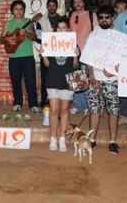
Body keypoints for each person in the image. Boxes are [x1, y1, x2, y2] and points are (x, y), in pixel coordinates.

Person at [86, 5, 121, 156]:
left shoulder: (120, 37)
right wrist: (92, 77)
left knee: (113, 111)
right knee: (94, 110)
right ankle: (92, 140)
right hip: (95, 80)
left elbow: (124, 59)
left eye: (107, 17)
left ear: (112, 18)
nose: (104, 20)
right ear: (98, 19)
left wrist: (113, 70)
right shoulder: (93, 35)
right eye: (101, 17)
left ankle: (112, 141)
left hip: (113, 80)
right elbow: (88, 58)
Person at [41, 17, 77, 152]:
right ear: (55, 30)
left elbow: (75, 66)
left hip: (67, 81)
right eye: (59, 28)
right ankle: (53, 138)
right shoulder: (50, 43)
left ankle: (62, 138)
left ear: (68, 29)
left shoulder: (73, 43)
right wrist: (43, 55)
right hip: (52, 79)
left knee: (65, 109)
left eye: (64, 27)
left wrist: (75, 56)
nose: (62, 30)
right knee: (54, 110)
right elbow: (47, 65)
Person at [0, 0, 40, 113]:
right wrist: (7, 39)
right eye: (16, 9)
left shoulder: (29, 22)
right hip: (13, 57)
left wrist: (26, 33)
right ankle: (17, 103)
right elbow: (1, 39)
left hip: (28, 56)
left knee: (30, 81)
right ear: (12, 11)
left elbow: (34, 38)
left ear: (24, 10)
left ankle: (33, 104)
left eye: (21, 9)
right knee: (15, 81)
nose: (18, 11)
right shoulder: (8, 23)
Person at [69, 0, 96, 114]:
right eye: (75, 2)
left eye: (80, 1)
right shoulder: (71, 15)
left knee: (87, 79)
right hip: (73, 52)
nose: (78, 4)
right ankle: (77, 104)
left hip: (87, 52)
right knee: (76, 79)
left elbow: (97, 33)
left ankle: (86, 106)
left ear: (84, 2)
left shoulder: (91, 15)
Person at [33, 0, 60, 107]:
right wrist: (49, 39)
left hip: (59, 53)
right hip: (46, 54)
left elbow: (66, 34)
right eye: (50, 5)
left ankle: (57, 101)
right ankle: (44, 101)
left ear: (56, 7)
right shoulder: (41, 21)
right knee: (45, 79)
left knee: (58, 78)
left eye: (54, 5)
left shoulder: (62, 19)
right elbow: (38, 37)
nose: (52, 7)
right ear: (47, 7)